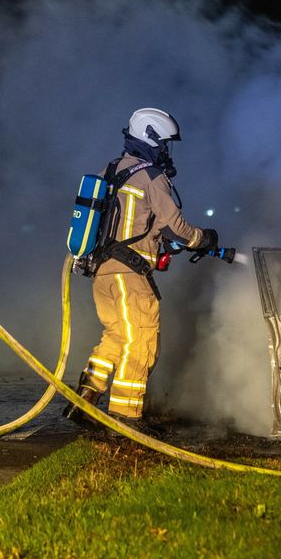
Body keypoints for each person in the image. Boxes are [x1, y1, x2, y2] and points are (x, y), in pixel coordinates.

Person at [63, 108, 216, 431]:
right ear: (151, 139)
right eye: (163, 144)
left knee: (117, 336)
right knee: (142, 339)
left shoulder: (112, 169)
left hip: (103, 272)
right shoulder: (151, 177)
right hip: (129, 275)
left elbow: (132, 223)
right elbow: (176, 227)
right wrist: (203, 238)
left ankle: (84, 401)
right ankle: (125, 418)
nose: (165, 152)